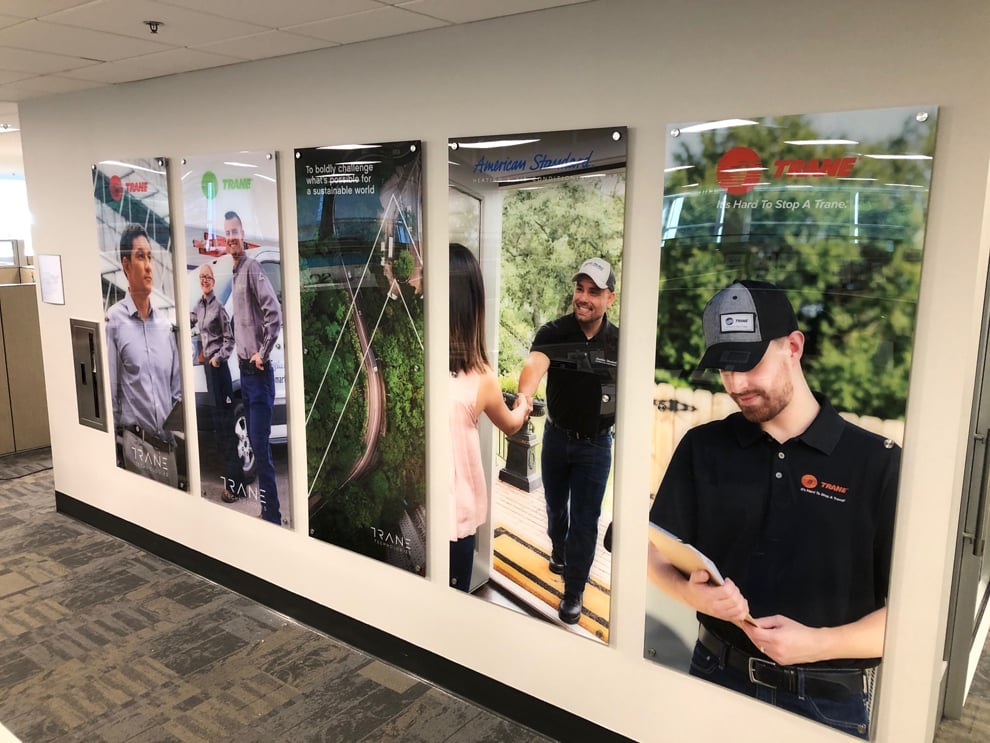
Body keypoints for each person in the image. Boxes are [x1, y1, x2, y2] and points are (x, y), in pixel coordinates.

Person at [647, 279, 900, 739]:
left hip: (826, 703)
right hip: (712, 676)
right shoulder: (703, 447)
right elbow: (654, 552)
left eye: (749, 363)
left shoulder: (878, 463)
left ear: (794, 346)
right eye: (724, 367)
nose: (736, 384)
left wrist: (818, 644)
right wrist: (690, 594)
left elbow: (910, 617)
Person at [517, 257, 619, 624]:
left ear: (610, 298)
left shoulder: (620, 343)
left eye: (593, 291)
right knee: (555, 510)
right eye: (580, 289)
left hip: (596, 446)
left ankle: (574, 589)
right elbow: (534, 366)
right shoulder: (553, 332)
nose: (584, 297)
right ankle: (558, 551)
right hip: (557, 440)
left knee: (586, 521)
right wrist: (525, 397)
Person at [448, 244, 530, 591]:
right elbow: (511, 424)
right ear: (473, 306)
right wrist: (525, 403)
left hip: (419, 508)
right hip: (457, 518)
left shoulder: (421, 358)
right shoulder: (481, 377)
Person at [106, 223, 183, 485]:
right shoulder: (114, 321)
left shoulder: (164, 326)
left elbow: (177, 391)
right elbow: (112, 391)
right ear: (126, 265)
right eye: (141, 257)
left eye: (150, 257)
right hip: (135, 447)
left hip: (167, 450)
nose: (149, 265)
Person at [225, 210, 283, 524]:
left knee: (261, 448)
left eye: (235, 231)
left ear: (242, 234)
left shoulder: (252, 268)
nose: (231, 237)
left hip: (258, 375)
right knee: (258, 448)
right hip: (245, 375)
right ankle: (266, 510)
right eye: (227, 233)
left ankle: (272, 514)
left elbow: (274, 313)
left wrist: (262, 352)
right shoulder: (234, 273)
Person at [190, 262, 242, 503]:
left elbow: (229, 341)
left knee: (227, 429)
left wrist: (217, 359)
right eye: (202, 277)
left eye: (208, 277)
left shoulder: (219, 308)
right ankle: (231, 483)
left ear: (213, 280)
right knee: (220, 431)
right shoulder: (199, 307)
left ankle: (236, 487)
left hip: (219, 372)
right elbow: (188, 320)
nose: (205, 280)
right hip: (210, 373)